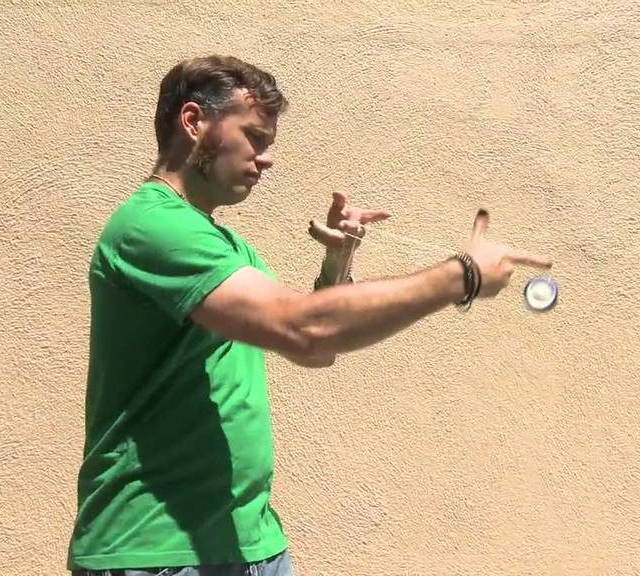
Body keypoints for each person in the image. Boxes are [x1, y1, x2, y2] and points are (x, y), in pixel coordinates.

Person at [67, 54, 552, 576]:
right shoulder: (150, 228)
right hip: (156, 549)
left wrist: (337, 262)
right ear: (193, 122)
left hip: (252, 544)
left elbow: (317, 350)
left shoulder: (225, 244)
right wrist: (463, 276)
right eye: (254, 138)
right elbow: (305, 329)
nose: (266, 159)